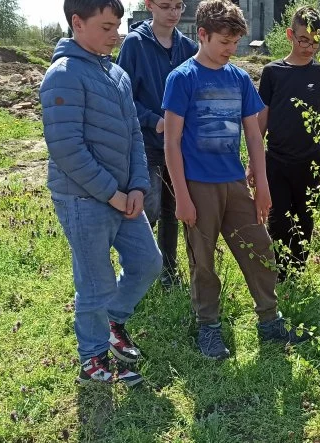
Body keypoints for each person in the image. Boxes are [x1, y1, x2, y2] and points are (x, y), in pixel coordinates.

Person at [162, 0, 312, 361]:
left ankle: (269, 320)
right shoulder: (182, 78)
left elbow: (254, 137)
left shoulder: (239, 78)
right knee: (203, 261)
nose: (231, 49)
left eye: (235, 43)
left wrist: (261, 186)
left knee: (260, 249)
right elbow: (171, 141)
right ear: (202, 34)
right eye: (223, 42)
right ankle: (209, 328)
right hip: (197, 186)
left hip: (233, 183)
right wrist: (181, 196)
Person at [41, 0, 162, 386]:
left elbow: (133, 138)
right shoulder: (63, 75)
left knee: (148, 263)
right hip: (83, 199)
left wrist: (139, 186)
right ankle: (92, 362)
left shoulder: (116, 75)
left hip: (125, 196)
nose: (116, 35)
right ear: (77, 22)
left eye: (118, 27)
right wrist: (112, 194)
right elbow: (66, 147)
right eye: (107, 27)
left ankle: (114, 321)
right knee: (95, 283)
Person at [116, 0, 198, 287]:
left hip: (178, 146)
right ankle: (138, 270)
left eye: (178, 6)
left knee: (172, 210)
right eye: (165, 6)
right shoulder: (134, 45)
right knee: (148, 208)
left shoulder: (188, 48)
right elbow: (122, 97)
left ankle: (168, 272)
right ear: (149, 5)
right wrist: (154, 120)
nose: (173, 13)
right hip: (147, 142)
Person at [256, 5, 320, 281]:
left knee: (304, 220)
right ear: (291, 34)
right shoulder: (272, 73)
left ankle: (297, 275)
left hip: (310, 162)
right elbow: (262, 121)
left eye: (316, 41)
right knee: (278, 220)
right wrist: (253, 163)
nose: (309, 47)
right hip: (276, 161)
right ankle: (278, 277)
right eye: (304, 39)